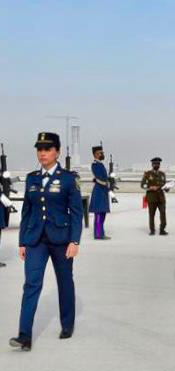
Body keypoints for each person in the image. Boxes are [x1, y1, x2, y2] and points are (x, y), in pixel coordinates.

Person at [9, 132, 82, 351]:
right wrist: (22, 241)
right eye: (39, 149)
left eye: (47, 149)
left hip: (61, 240)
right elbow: (27, 211)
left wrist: (75, 241)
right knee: (31, 284)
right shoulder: (32, 178)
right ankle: (24, 336)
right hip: (35, 240)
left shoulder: (69, 178)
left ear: (57, 152)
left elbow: (76, 213)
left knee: (64, 282)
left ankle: (67, 324)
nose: (42, 153)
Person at [140, 157, 168, 235]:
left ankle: (162, 229)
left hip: (161, 198)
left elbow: (164, 185)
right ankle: (152, 230)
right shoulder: (147, 174)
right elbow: (142, 185)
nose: (157, 165)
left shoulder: (162, 174)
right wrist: (150, 187)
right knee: (151, 214)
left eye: (158, 164)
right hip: (151, 198)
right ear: (152, 164)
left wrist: (167, 188)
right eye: (155, 164)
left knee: (163, 213)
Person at [89, 145, 111, 240]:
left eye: (102, 153)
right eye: (100, 153)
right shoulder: (95, 164)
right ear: (95, 155)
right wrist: (106, 183)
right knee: (98, 213)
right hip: (99, 191)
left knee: (102, 213)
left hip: (102, 191)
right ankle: (98, 234)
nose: (102, 154)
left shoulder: (100, 164)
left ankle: (100, 232)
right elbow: (99, 178)